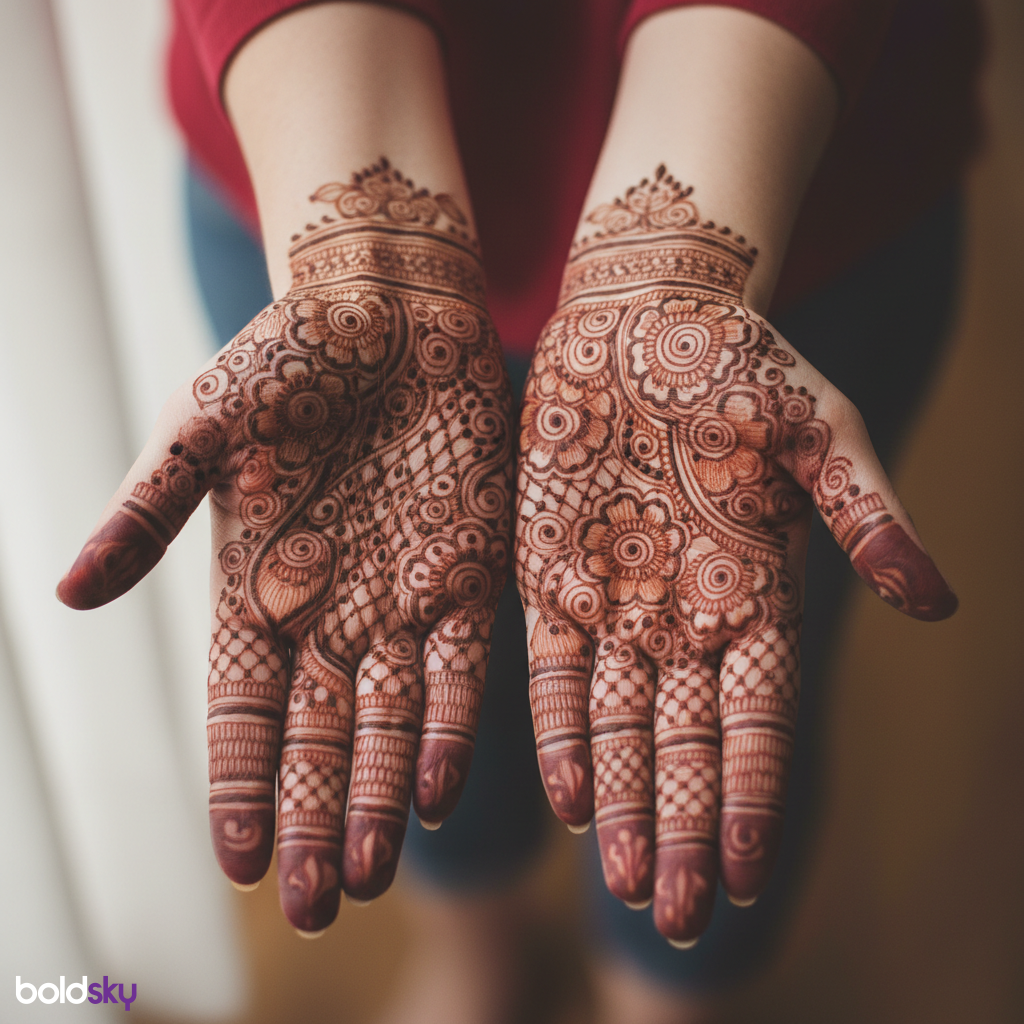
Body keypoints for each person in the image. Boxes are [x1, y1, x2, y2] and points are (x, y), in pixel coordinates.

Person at [59, 2, 981, 1020]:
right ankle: (475, 944)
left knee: (713, 702)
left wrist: (675, 260)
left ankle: (668, 990)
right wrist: (362, 245)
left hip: (791, 178)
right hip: (300, 140)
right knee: (408, 670)